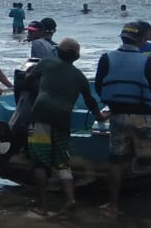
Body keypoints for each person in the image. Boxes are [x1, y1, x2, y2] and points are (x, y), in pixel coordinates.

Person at [95, 22, 151, 216]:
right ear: (140, 40)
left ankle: (112, 204)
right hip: (142, 117)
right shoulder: (145, 61)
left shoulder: (106, 58)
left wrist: (111, 105)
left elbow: (99, 85)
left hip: (117, 115)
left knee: (115, 161)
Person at [20, 38, 106, 217]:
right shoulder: (79, 76)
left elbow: (27, 81)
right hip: (62, 120)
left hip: (41, 117)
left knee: (39, 161)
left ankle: (42, 207)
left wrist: (31, 74)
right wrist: (100, 116)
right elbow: (90, 102)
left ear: (58, 51)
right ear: (76, 57)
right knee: (61, 161)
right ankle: (70, 199)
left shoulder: (47, 63)